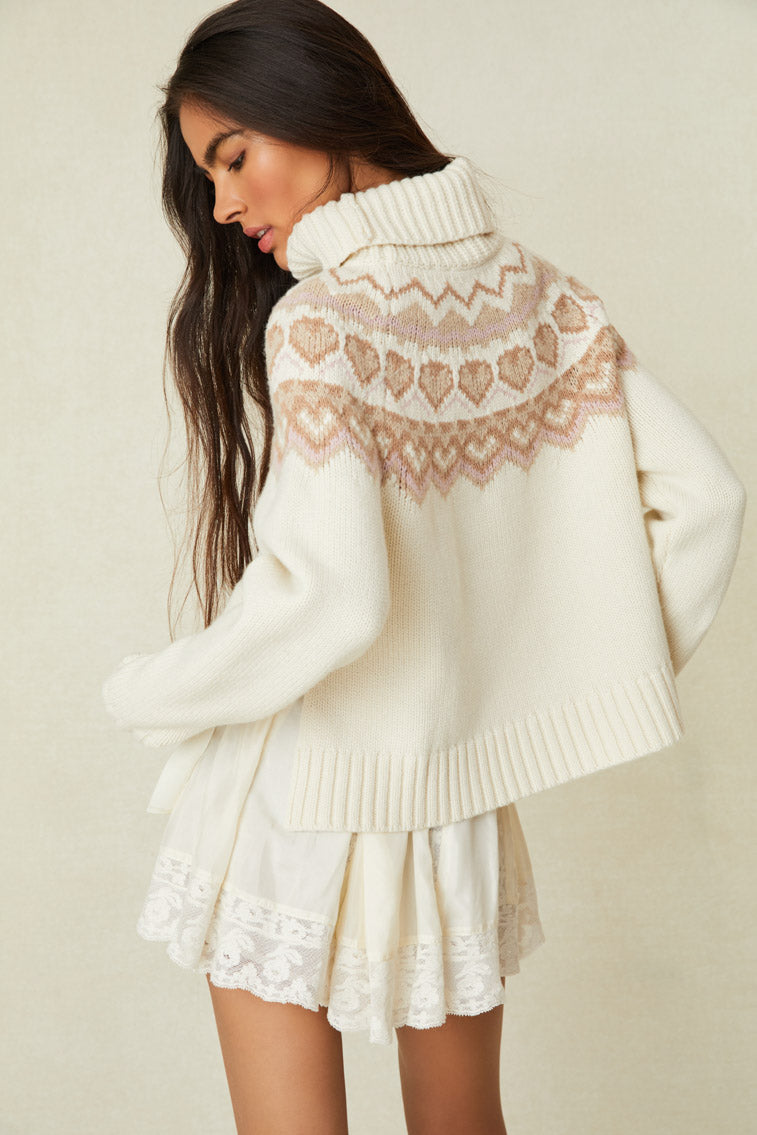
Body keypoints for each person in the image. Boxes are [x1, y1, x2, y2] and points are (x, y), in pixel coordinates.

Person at [100, 1, 747, 1133]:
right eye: (209, 178)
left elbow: (330, 599)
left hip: (300, 795)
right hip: (454, 804)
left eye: (234, 157)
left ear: (315, 103)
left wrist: (150, 692)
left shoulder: (321, 322)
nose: (224, 206)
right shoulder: (547, 298)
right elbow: (706, 501)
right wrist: (552, 688)